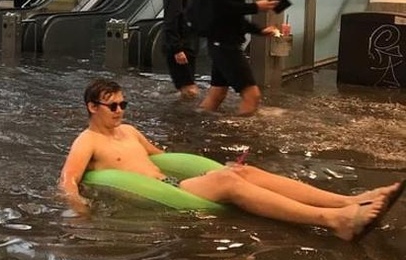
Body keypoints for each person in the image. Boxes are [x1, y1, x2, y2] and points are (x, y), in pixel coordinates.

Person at [59, 79, 402, 241]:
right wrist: (81, 213)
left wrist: (218, 168)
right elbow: (68, 180)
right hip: (158, 196)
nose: (120, 111)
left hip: (172, 183)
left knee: (243, 170)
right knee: (227, 181)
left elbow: (165, 159)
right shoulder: (87, 141)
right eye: (113, 106)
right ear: (93, 107)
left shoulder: (130, 131)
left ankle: (351, 200)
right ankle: (332, 220)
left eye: (123, 105)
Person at [198, 0, 278, 116]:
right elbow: (223, 7)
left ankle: (197, 128)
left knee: (217, 94)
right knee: (252, 96)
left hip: (221, 41)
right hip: (225, 44)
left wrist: (259, 30)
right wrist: (256, 6)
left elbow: (232, 15)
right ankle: (239, 139)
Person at [162, 0, 204, 98]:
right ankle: (182, 120)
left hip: (191, 45)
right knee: (190, 90)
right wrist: (177, 49)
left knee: (187, 90)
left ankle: (182, 118)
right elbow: (171, 19)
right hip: (179, 47)